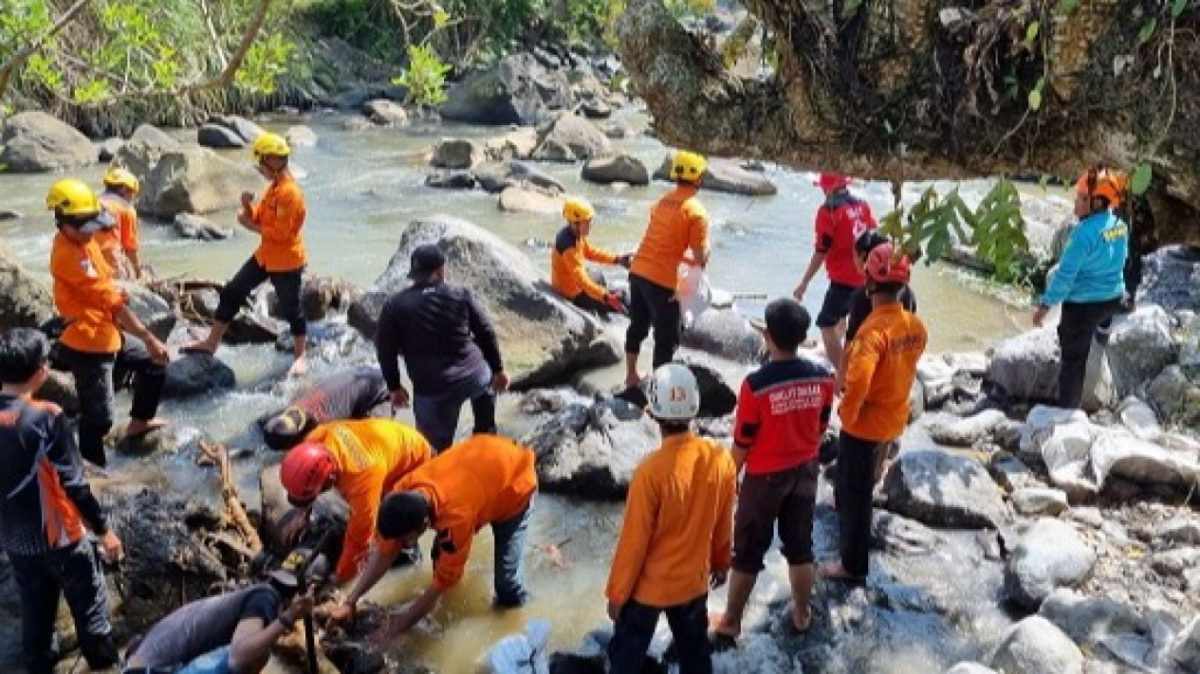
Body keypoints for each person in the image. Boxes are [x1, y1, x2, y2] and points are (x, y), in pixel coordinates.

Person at [330, 434, 537, 642]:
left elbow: (440, 583)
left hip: (515, 484)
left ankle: (527, 620)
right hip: (484, 459)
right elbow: (385, 550)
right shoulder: (403, 491)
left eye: (407, 540)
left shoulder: (456, 519)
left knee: (506, 586)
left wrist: (397, 627)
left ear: (425, 525)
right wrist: (351, 600)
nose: (406, 545)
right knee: (443, 559)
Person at [0, 328, 124, 674]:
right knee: (92, 617)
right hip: (62, 539)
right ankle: (105, 667)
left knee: (36, 621)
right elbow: (74, 484)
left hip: (15, 542)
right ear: (41, 371)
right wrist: (105, 532)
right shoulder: (46, 416)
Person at [711, 299, 835, 643]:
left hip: (764, 478)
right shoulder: (824, 378)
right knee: (800, 547)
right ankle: (801, 612)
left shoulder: (755, 385)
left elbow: (743, 442)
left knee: (748, 551)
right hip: (806, 471)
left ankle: (732, 620)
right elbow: (822, 427)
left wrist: (728, 478)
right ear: (803, 336)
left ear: (767, 336)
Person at [606, 363, 736, 674]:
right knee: (695, 657)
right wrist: (721, 562)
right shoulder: (720, 460)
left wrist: (617, 594)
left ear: (652, 413)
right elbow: (723, 521)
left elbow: (633, 543)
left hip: (647, 590)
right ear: (694, 409)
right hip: (692, 584)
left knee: (625, 658)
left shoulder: (650, 473)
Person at [822, 242, 926, 583]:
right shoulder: (915, 327)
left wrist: (847, 414)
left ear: (868, 282)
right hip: (894, 416)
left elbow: (859, 380)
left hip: (865, 425)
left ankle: (851, 566)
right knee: (863, 484)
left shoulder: (871, 333)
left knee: (856, 495)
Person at [47, 179, 169, 467]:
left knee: (155, 365)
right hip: (87, 343)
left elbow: (108, 281)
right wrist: (150, 338)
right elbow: (111, 301)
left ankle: (139, 422)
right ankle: (93, 472)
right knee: (99, 420)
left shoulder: (82, 240)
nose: (92, 233)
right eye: (86, 227)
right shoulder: (68, 257)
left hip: (108, 331)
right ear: (64, 223)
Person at [183, 132, 309, 376]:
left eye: (261, 161)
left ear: (273, 161)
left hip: (286, 261)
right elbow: (259, 218)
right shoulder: (273, 189)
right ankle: (211, 342)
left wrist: (249, 226)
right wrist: (246, 206)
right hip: (265, 256)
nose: (259, 168)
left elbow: (281, 234)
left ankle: (301, 355)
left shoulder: (289, 193)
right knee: (233, 291)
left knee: (292, 308)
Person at [374, 244, 508, 452]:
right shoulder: (460, 294)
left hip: (434, 389)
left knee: (432, 451)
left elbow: (385, 351)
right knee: (486, 431)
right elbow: (486, 332)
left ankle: (439, 472)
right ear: (440, 270)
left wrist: (394, 388)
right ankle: (485, 442)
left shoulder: (395, 306)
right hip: (475, 376)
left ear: (414, 274)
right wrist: (498, 370)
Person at [276, 418, 432, 583]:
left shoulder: (362, 479)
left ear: (330, 478)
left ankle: (410, 562)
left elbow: (358, 541)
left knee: (393, 528)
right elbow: (306, 479)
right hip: (386, 443)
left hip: (413, 462)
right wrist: (302, 515)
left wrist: (340, 577)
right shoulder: (315, 441)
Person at [1033, 167, 1130, 410]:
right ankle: (1103, 328)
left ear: (1096, 202)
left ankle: (1067, 412)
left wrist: (1044, 307)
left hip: (1085, 305)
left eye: (1080, 198)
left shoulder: (1082, 234)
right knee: (1101, 313)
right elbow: (1122, 259)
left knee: (1073, 359)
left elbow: (1065, 277)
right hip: (1114, 297)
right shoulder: (1120, 225)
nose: (1074, 202)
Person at [624, 150, 711, 389]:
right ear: (699, 179)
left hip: (638, 270)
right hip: (661, 282)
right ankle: (659, 390)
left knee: (637, 325)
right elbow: (700, 258)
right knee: (666, 338)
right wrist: (707, 252)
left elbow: (661, 242)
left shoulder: (660, 202)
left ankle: (631, 376)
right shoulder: (696, 212)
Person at [122, 575, 314, 674]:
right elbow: (238, 658)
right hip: (153, 670)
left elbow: (133, 646)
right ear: (293, 598)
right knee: (256, 654)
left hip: (136, 666)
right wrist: (288, 618)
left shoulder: (233, 600)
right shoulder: (265, 597)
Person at [793, 173, 877, 377]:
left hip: (844, 279)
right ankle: (844, 356)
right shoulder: (862, 204)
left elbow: (821, 249)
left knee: (826, 325)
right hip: (867, 276)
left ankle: (845, 375)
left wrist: (804, 282)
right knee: (845, 319)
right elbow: (873, 233)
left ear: (827, 188)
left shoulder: (828, 211)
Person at [259, 365, 389, 450]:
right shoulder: (293, 409)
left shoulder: (324, 427)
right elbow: (261, 422)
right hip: (360, 371)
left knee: (371, 439)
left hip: (383, 390)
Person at [551, 197, 632, 315]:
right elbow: (582, 281)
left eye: (590, 221)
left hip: (573, 284)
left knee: (598, 275)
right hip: (573, 294)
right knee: (624, 301)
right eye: (587, 222)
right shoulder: (569, 248)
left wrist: (617, 259)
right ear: (575, 223)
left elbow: (590, 252)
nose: (590, 225)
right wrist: (606, 296)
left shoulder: (575, 234)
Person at [96, 167, 143, 280]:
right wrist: (138, 274)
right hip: (110, 263)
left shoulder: (94, 201)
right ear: (123, 189)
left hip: (87, 260)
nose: (132, 197)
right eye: (132, 193)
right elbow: (130, 249)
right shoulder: (126, 209)